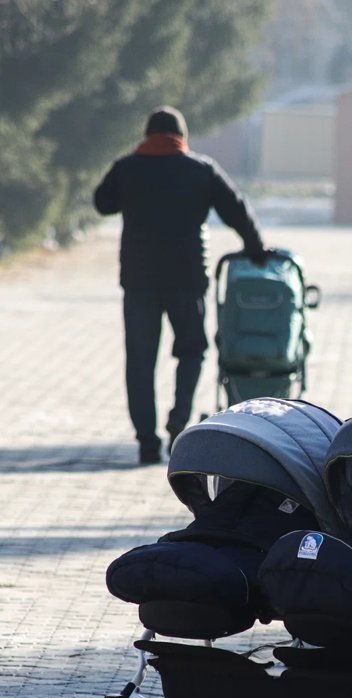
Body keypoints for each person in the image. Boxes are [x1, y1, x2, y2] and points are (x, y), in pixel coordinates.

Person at [93, 106, 267, 464]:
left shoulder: (127, 168)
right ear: (181, 137)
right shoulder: (200, 169)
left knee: (140, 361)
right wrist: (255, 247)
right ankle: (178, 420)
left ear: (147, 135)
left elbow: (102, 203)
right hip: (187, 278)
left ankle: (145, 440)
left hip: (139, 281)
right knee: (191, 350)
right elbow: (236, 208)